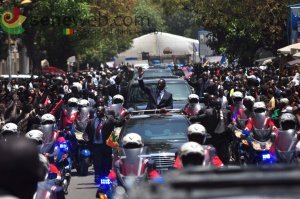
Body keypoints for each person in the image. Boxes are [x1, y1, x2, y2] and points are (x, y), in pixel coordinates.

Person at [84, 106, 125, 182]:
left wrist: (124, 117)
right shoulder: (91, 121)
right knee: (97, 162)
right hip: (95, 145)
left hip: (106, 145)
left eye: (100, 111)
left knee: (106, 161)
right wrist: (86, 138)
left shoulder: (110, 119)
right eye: (98, 111)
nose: (99, 113)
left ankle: (106, 176)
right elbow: (86, 132)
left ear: (104, 112)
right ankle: (97, 176)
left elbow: (119, 123)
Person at [190, 99, 232, 165]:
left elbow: (231, 121)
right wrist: (191, 118)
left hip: (223, 137)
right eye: (216, 107)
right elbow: (199, 118)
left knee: (224, 155)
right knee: (209, 152)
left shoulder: (227, 112)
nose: (217, 109)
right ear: (213, 107)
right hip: (212, 137)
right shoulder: (208, 112)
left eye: (219, 106)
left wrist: (229, 127)